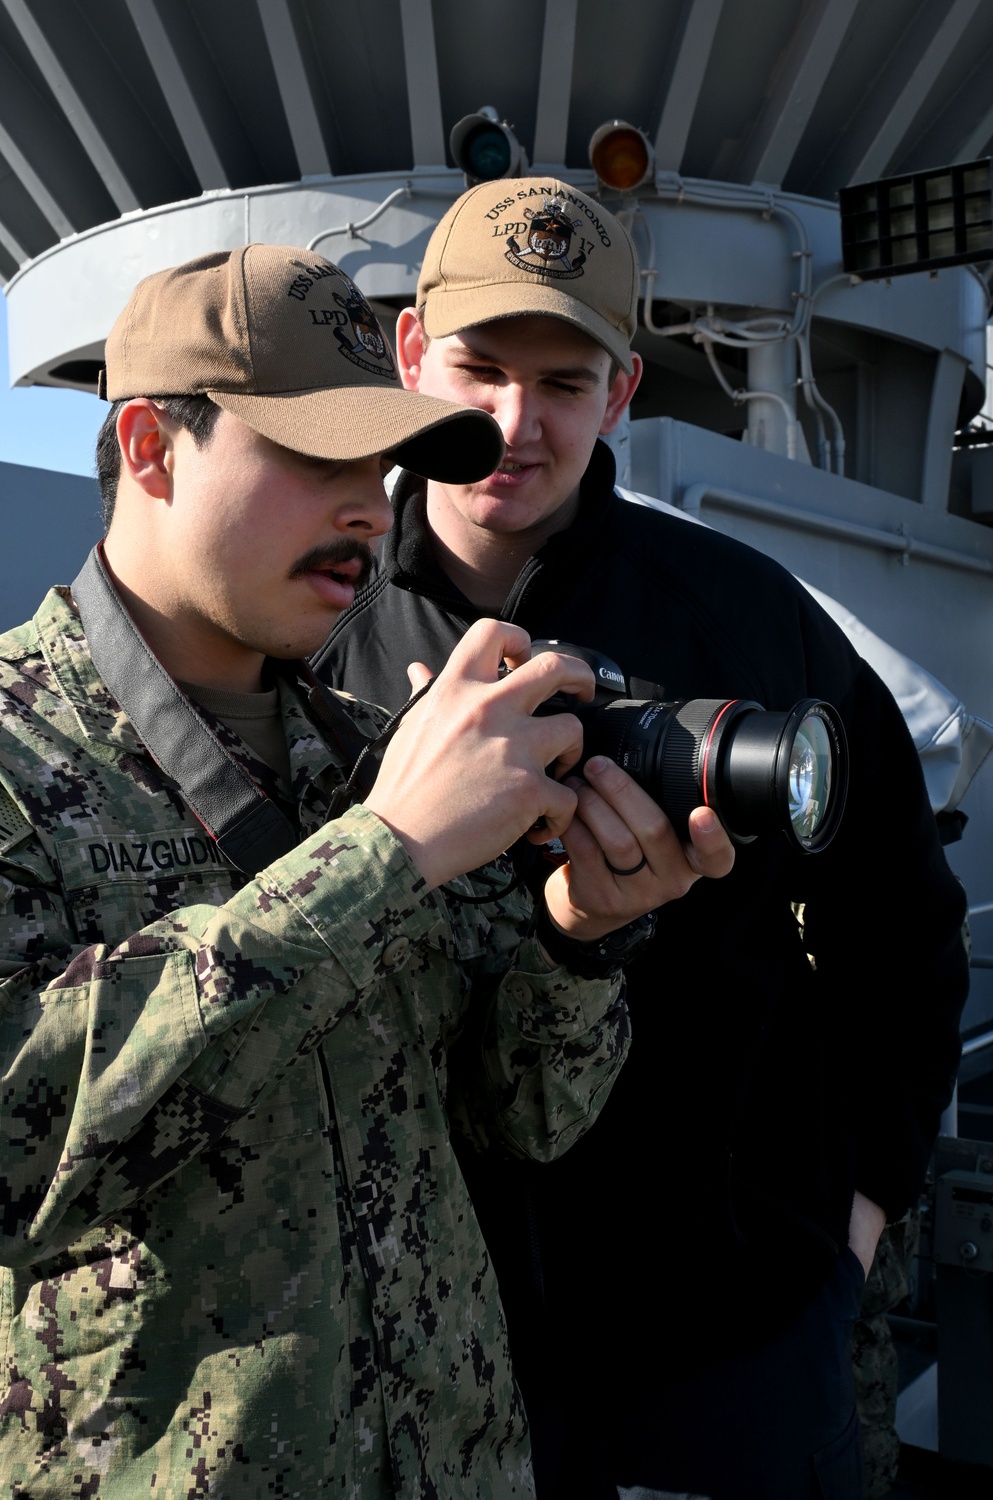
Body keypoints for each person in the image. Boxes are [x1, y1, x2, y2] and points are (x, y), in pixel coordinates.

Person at [0, 244, 735, 1498]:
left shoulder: (364, 751)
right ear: (149, 447)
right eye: (312, 456)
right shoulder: (18, 752)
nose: (368, 504)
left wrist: (575, 939)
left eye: (379, 462)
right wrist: (382, 857)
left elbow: (522, 1124)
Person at [314, 179, 970, 1500]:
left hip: (723, 1337)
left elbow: (901, 925)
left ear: (621, 395)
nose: (515, 422)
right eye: (480, 367)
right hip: (408, 1340)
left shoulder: (747, 623)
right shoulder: (310, 618)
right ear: (407, 354)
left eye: (565, 380)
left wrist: (856, 1221)